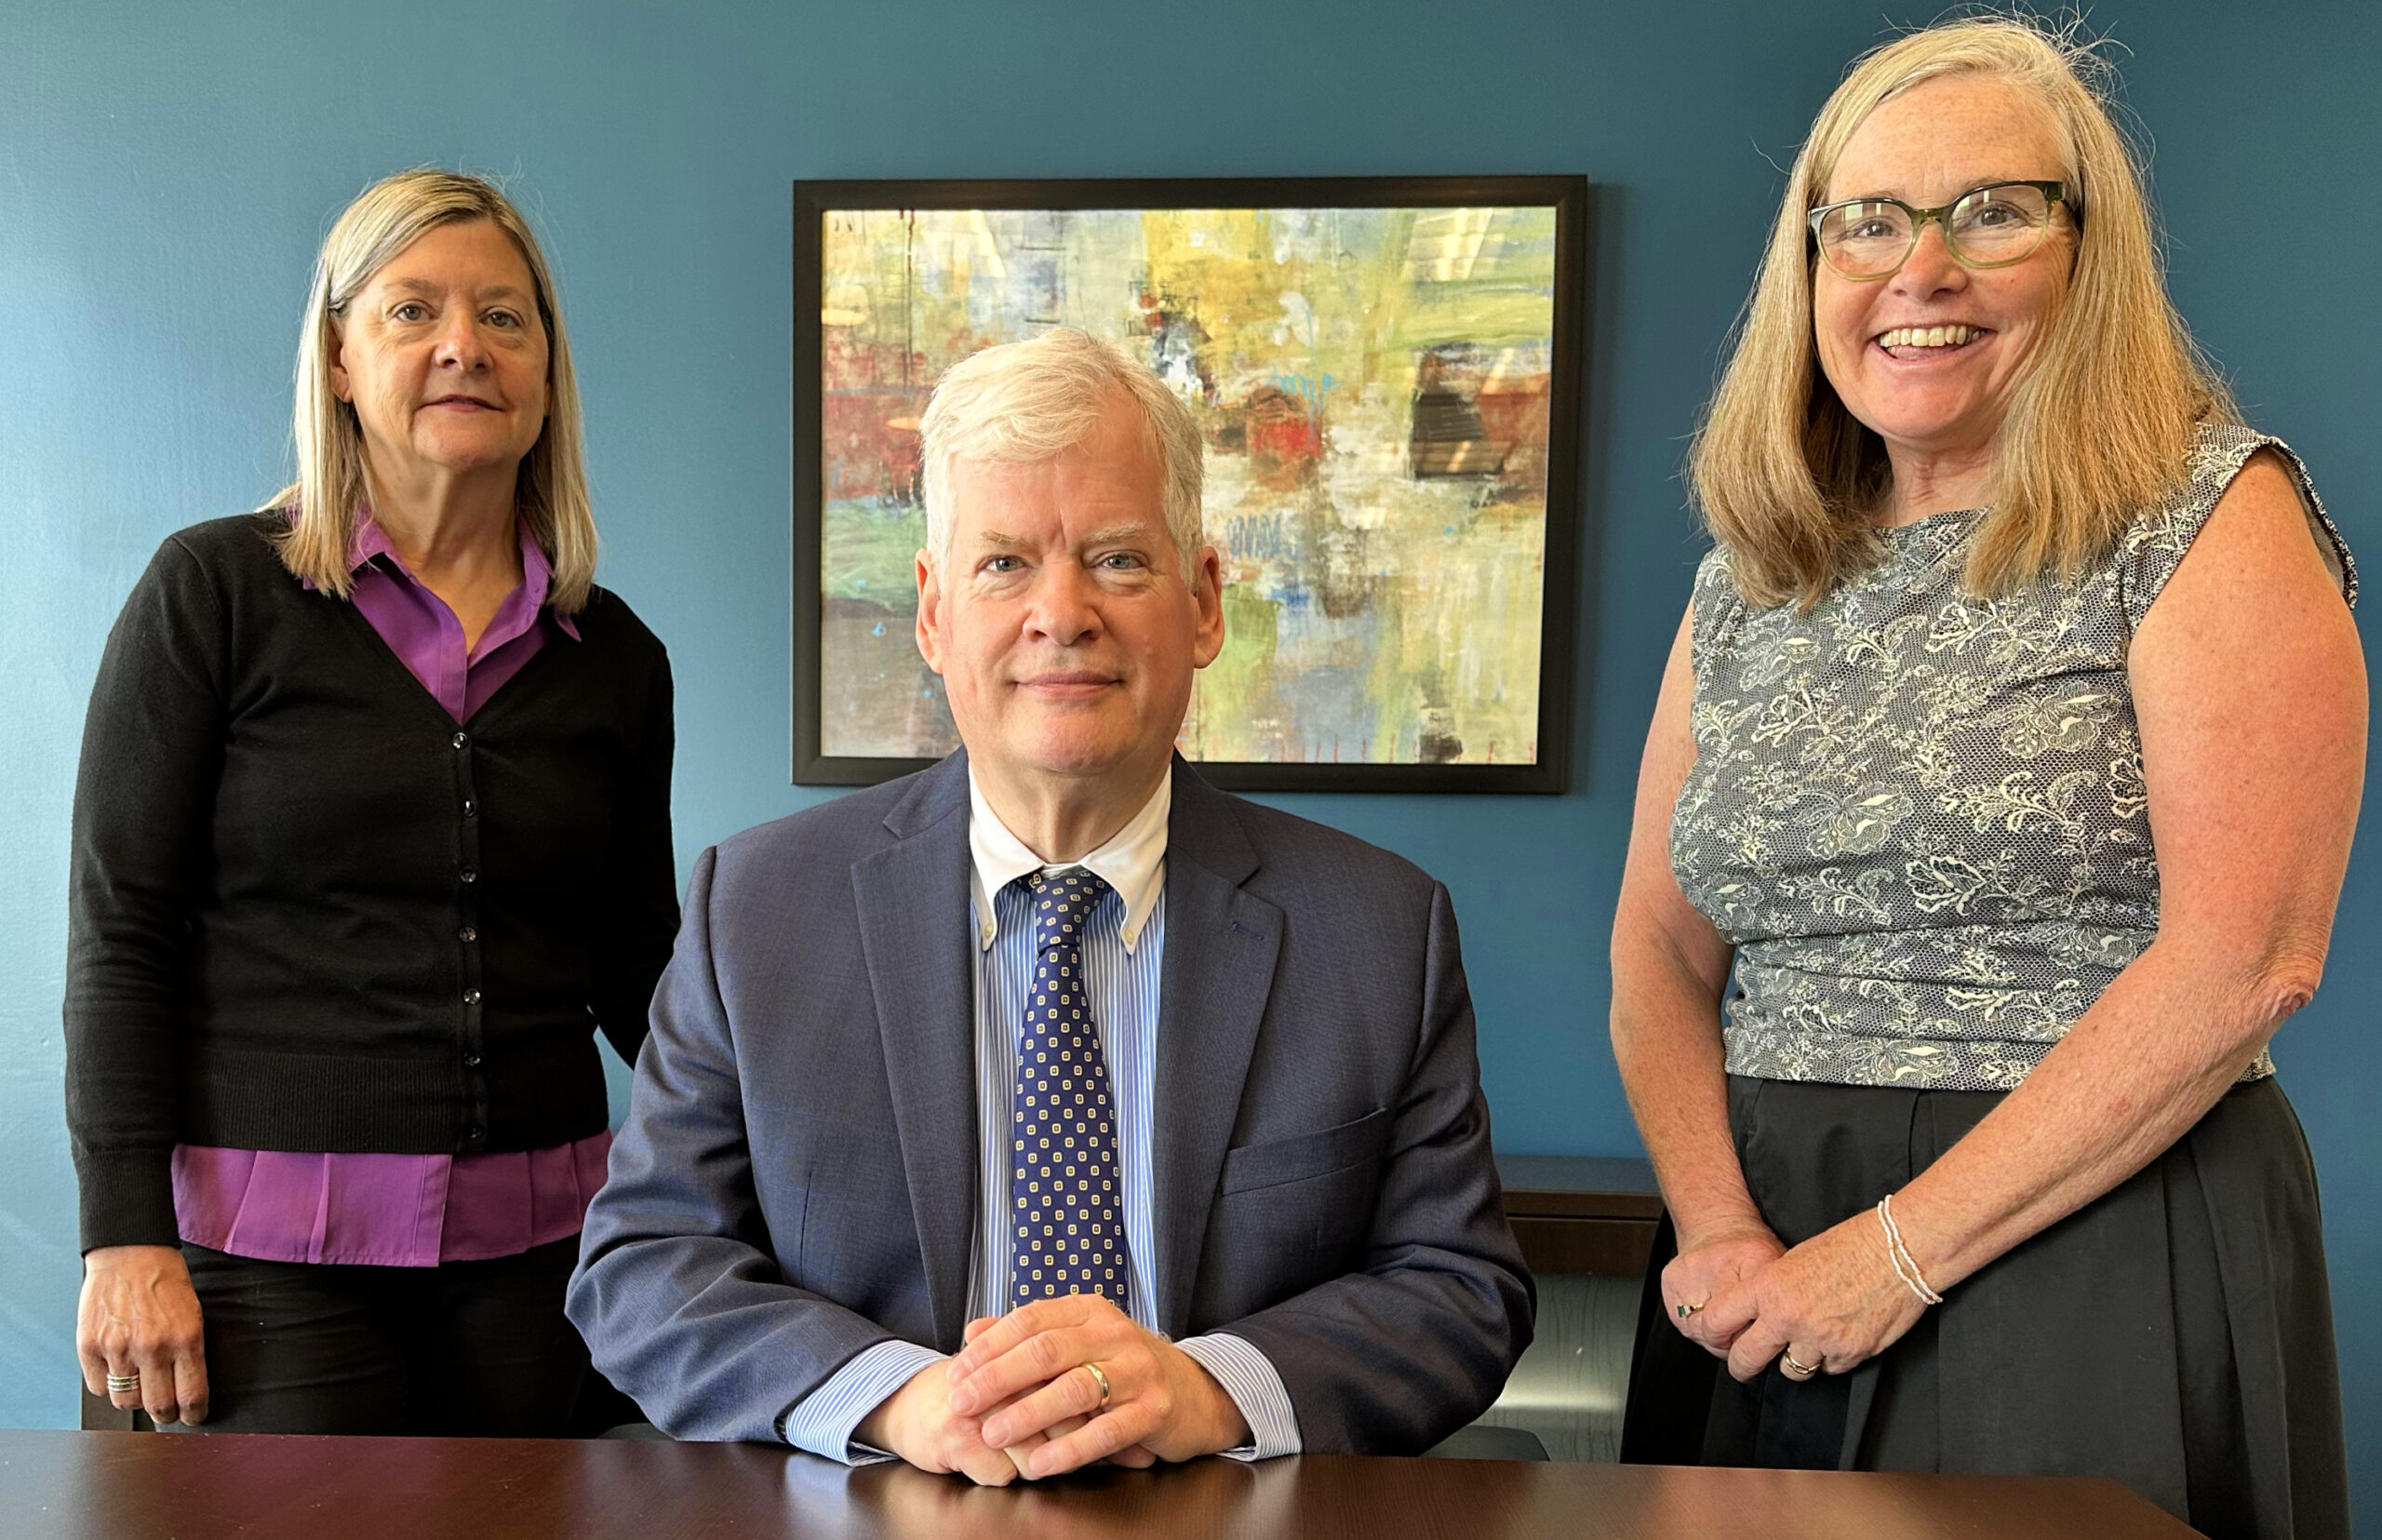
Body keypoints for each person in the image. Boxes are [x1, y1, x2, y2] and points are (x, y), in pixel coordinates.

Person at [1610, 18, 2362, 1538]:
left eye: (1994, 212)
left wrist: (1893, 1254)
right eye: (1869, 222)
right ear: (1809, 266)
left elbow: (2248, 959)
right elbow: (1659, 948)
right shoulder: (1749, 577)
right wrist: (1719, 1229)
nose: (1924, 269)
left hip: (2092, 1237)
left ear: (2091, 253)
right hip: (1758, 1254)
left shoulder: (2212, 514)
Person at [567, 327, 1531, 1483]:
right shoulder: (756, 909)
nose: (1062, 612)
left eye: (1117, 559)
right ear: (932, 613)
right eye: (1003, 563)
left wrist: (1206, 1386)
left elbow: (1457, 1285)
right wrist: (900, 1399)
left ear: (1204, 601)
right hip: (884, 1507)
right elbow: (645, 1263)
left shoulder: (1377, 928)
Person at [66, 169, 678, 1436]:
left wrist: (794, 1146)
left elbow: (635, 964)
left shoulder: (614, 656)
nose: (465, 345)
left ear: (546, 373)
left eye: (504, 317)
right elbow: (124, 932)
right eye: (413, 310)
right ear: (340, 359)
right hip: (261, 1257)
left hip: (545, 1264)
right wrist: (122, 1235)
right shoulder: (213, 593)